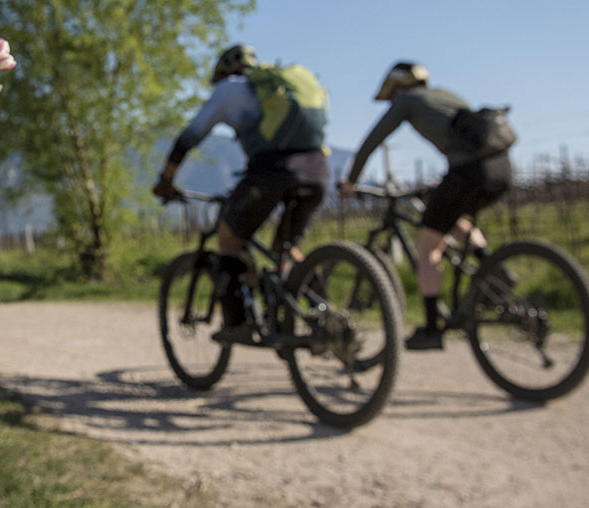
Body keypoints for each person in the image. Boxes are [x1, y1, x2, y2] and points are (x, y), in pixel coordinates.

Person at [154, 44, 331, 344]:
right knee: (287, 248)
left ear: (223, 72)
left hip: (272, 171)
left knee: (229, 238)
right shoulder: (283, 88)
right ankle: (325, 315)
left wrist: (166, 181)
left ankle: (238, 322)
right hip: (318, 169)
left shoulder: (229, 89)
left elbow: (189, 137)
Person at [337, 61, 513, 350]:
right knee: (453, 219)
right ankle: (494, 269)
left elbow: (372, 140)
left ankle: (432, 329)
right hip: (500, 167)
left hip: (467, 171)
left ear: (397, 87)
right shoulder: (444, 95)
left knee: (429, 247)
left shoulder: (407, 100)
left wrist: (351, 181)